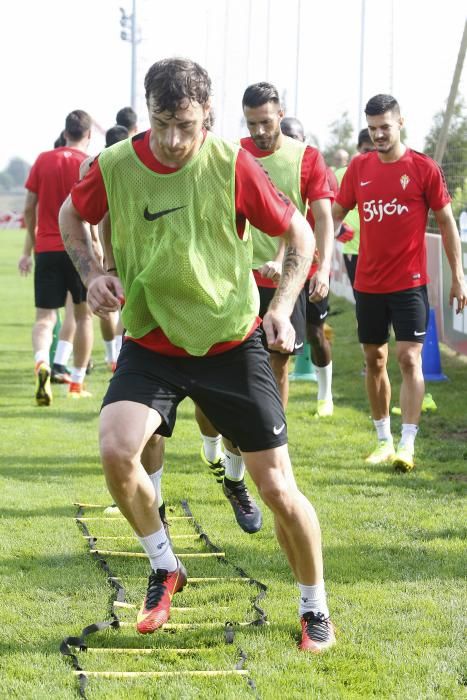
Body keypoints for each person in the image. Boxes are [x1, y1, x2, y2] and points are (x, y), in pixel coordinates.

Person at [59, 57, 335, 653]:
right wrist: (92, 275)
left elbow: (301, 235)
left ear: (206, 115)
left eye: (186, 124)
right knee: (114, 446)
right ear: (148, 111)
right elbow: (70, 215)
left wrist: (282, 307)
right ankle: (165, 563)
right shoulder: (114, 165)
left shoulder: (231, 164)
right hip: (152, 342)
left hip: (230, 343)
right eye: (162, 123)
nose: (174, 138)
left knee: (279, 490)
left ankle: (315, 606)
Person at [332, 94, 467, 471]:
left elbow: (446, 222)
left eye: (384, 128)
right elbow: (335, 213)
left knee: (409, 358)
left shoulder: (423, 167)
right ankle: (382, 441)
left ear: (400, 123)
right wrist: (312, 241)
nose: (378, 135)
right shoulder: (358, 168)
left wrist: (458, 276)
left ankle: (407, 444)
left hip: (409, 283)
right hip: (368, 283)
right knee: (374, 360)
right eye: (372, 128)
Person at [18, 110, 96, 403]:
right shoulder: (86, 163)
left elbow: (28, 207)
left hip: (47, 248)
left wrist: (31, 244)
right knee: (83, 315)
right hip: (79, 248)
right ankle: (76, 383)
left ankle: (42, 361)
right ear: (87, 136)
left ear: (65, 133)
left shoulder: (43, 159)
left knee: (45, 319)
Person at [280, 115, 336, 417]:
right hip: (276, 271)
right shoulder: (268, 170)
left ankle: (325, 395)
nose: (289, 143)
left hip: (311, 271)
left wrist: (323, 266)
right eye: (285, 136)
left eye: (295, 137)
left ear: (305, 140)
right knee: (273, 344)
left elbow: (330, 220)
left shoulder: (321, 172)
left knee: (315, 333)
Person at [334, 128, 375, 294]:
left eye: (375, 150)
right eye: (367, 150)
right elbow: (325, 206)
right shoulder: (342, 174)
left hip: (381, 251)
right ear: (358, 148)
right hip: (354, 249)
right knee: (363, 300)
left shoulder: (389, 172)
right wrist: (337, 229)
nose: (371, 154)